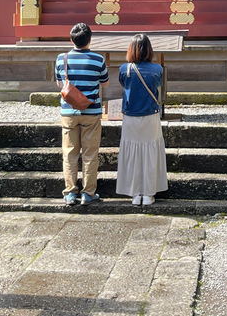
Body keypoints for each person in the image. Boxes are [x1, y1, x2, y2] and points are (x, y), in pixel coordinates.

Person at [55, 23, 109, 206]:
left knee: (69, 153)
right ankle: (88, 193)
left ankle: (70, 193)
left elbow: (60, 86)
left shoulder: (61, 59)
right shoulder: (98, 59)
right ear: (90, 40)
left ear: (71, 40)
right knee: (90, 153)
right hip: (91, 112)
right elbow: (105, 83)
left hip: (68, 112)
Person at [116, 34, 167, 206]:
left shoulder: (124, 69)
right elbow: (158, 84)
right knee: (150, 153)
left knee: (132, 154)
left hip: (130, 116)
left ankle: (135, 193)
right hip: (150, 115)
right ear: (149, 50)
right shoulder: (157, 69)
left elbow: (124, 84)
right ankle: (149, 192)